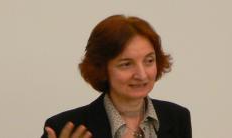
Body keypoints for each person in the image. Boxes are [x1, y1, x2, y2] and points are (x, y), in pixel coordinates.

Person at [41, 14, 192, 138]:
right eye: (126, 64)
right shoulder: (63, 127)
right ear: (101, 69)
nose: (141, 74)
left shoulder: (177, 118)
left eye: (149, 61)